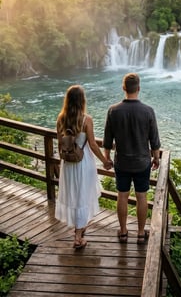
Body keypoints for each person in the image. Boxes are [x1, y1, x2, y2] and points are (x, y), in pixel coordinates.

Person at [103, 73, 161, 245]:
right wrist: (156, 158)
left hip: (122, 162)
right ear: (139, 88)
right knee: (142, 197)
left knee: (122, 196)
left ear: (124, 88)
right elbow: (154, 141)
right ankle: (141, 233)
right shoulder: (148, 111)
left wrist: (106, 159)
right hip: (142, 162)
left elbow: (107, 140)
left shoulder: (113, 110)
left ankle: (122, 231)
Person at [55, 85, 112, 249]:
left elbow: (60, 142)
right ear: (82, 100)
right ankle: (78, 238)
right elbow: (93, 145)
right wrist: (104, 160)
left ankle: (78, 228)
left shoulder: (61, 119)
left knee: (74, 195)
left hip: (68, 163)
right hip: (83, 162)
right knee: (82, 196)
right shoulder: (86, 120)